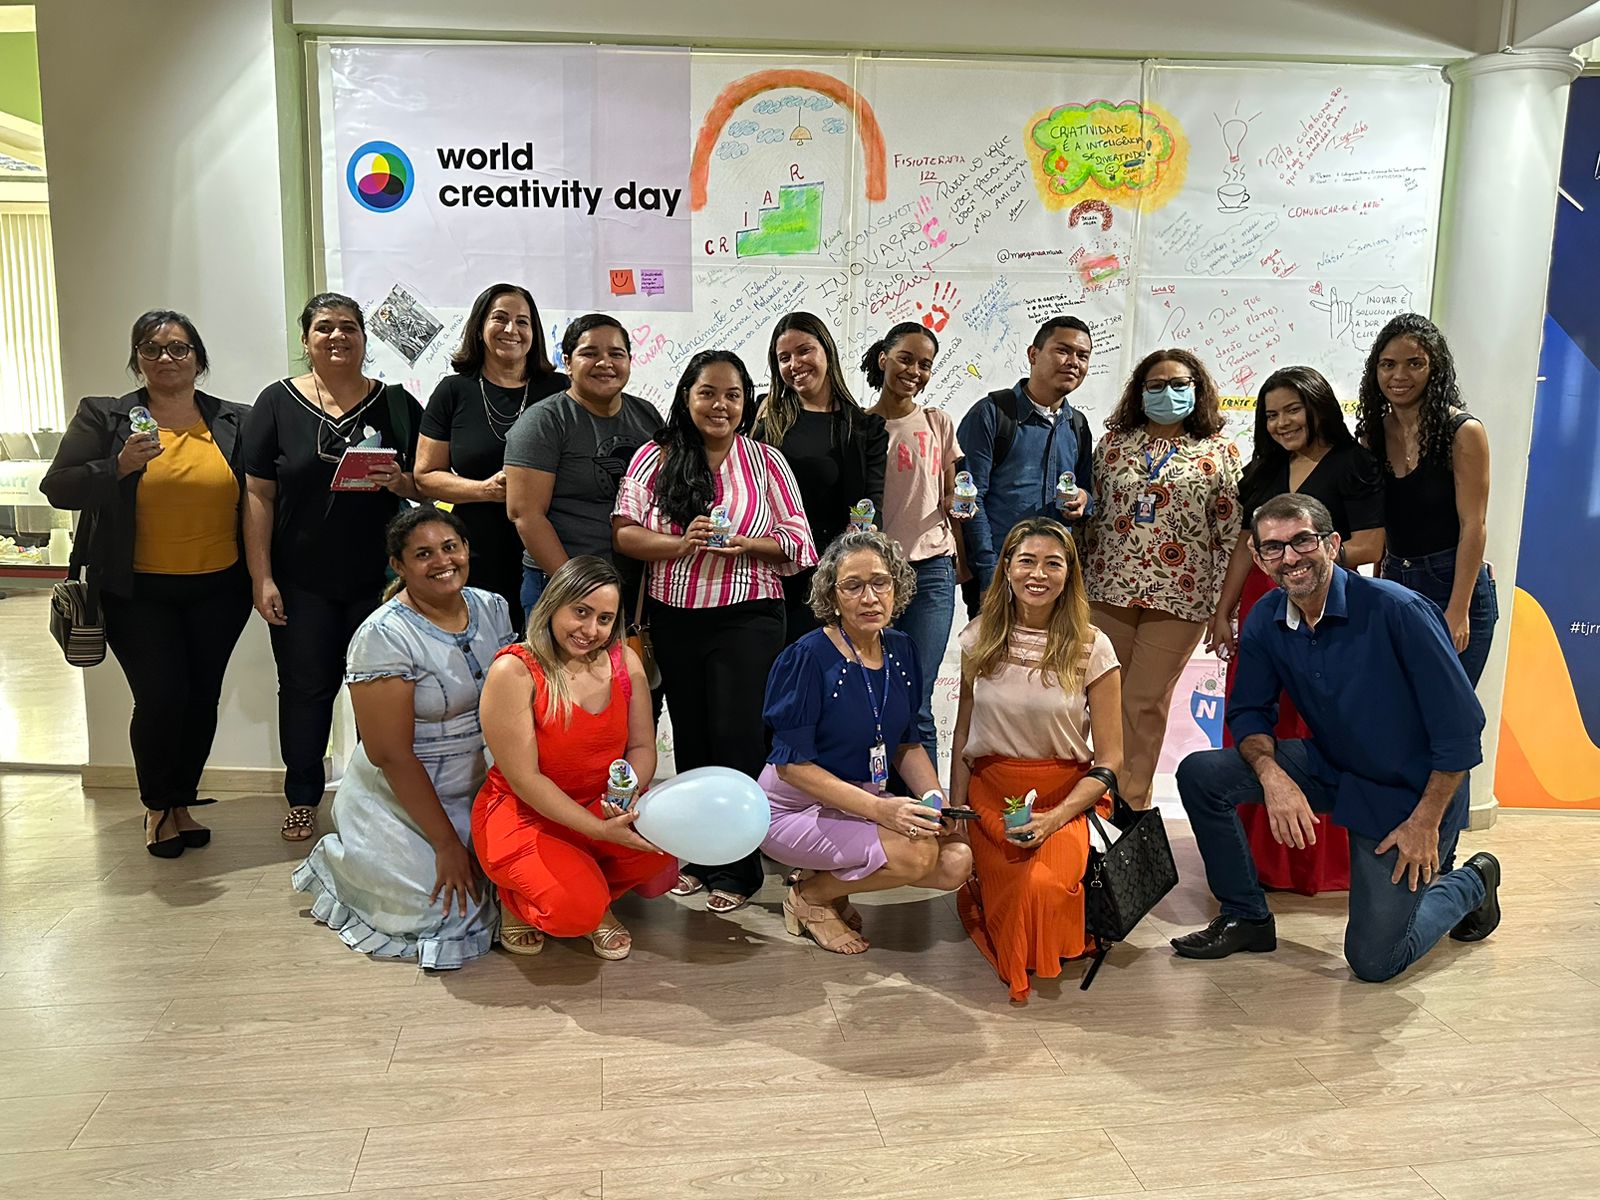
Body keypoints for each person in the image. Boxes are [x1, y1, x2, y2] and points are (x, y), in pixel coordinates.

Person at [1171, 493, 1502, 982]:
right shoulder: (1266, 616)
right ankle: (1246, 917)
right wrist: (1273, 777)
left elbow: (1460, 729)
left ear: (1331, 543)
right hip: (1332, 764)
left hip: (1407, 792)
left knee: (1375, 960)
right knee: (1201, 773)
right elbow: (1248, 712)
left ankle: (1472, 880)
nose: (1290, 559)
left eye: (1302, 541)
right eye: (1274, 548)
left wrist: (1425, 822)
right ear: (1259, 559)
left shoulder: (1399, 610)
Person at [41, 310, 251, 857]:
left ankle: (183, 800)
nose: (166, 358)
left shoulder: (236, 420)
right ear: (136, 358)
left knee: (202, 698)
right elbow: (58, 486)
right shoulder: (106, 417)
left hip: (220, 589)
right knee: (161, 697)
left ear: (199, 359)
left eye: (179, 348)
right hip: (136, 592)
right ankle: (158, 807)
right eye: (152, 348)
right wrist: (115, 466)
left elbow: (264, 495)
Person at [614, 350, 815, 912]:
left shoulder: (767, 462)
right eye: (708, 393)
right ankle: (699, 853)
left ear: (745, 403)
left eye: (732, 395)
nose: (720, 405)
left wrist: (744, 544)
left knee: (738, 737)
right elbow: (626, 535)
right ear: (687, 396)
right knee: (693, 735)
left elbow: (800, 545)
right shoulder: (654, 458)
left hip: (748, 613)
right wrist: (681, 545)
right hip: (675, 614)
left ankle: (740, 865)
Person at [292, 508, 513, 968]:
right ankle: (351, 861)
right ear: (399, 565)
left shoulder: (493, 607)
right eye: (423, 554)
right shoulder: (382, 636)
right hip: (401, 795)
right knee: (447, 913)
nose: (442, 561)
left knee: (516, 888)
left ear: (467, 549)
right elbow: (391, 755)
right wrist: (448, 845)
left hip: (479, 786)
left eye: (450, 547)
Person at [243, 292, 423, 842]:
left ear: (365, 338)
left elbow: (430, 488)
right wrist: (262, 576)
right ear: (306, 340)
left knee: (384, 695)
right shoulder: (275, 403)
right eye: (324, 328)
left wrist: (402, 483)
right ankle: (302, 798)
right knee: (305, 691)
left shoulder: (395, 405)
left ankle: (379, 798)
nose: (337, 337)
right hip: (302, 582)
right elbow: (257, 495)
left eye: (349, 327)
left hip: (383, 584)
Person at [1207, 366, 1384, 894]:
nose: (1281, 423)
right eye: (1271, 414)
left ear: (1318, 406)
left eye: (1291, 410)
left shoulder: (1356, 465)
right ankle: (1254, 860)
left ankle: (1314, 864)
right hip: (1263, 611)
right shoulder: (1264, 469)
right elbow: (1244, 546)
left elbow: (1373, 544)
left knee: (1317, 728)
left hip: (1325, 611)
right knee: (1258, 724)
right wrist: (1224, 609)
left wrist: (1300, 563)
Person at [761, 530, 972, 955]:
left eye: (880, 582)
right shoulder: (806, 657)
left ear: (897, 587)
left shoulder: (902, 649)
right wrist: (882, 809)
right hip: (793, 807)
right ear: (832, 596)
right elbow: (791, 766)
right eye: (853, 586)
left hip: (857, 800)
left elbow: (906, 742)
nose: (870, 597)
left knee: (957, 861)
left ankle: (826, 886)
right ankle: (811, 898)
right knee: (913, 855)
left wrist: (933, 800)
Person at [949, 517, 1125, 1003]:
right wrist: (958, 814)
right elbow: (963, 734)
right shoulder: (978, 637)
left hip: (1067, 799)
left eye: (1054, 563)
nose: (1038, 574)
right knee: (1022, 894)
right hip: (992, 796)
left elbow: (1111, 761)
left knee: (1040, 888)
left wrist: (1056, 818)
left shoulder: (1094, 646)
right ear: (1006, 567)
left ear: (1070, 573)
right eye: (1026, 560)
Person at [473, 556, 673, 959]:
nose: (590, 630)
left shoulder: (625, 660)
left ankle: (585, 887)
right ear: (554, 603)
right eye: (580, 612)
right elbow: (526, 780)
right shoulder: (514, 670)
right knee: (575, 914)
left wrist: (626, 797)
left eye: (604, 618)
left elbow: (641, 748)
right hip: (526, 812)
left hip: (599, 805)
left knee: (661, 866)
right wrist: (599, 831)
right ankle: (517, 899)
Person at [1083, 348, 1241, 810]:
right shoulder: (1113, 445)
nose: (1167, 393)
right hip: (1108, 590)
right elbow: (1092, 515)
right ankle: (1091, 807)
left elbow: (1231, 534)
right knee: (1104, 701)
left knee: (1144, 703)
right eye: (1156, 385)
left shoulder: (1219, 451)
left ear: (1197, 389)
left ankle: (1127, 811)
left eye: (1178, 384)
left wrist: (1223, 608)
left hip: (1181, 598)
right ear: (1139, 390)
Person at [1355, 313, 1496, 686]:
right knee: (1398, 719)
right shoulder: (1371, 438)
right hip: (1395, 582)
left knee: (1450, 722)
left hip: (1454, 583)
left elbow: (1474, 526)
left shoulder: (1463, 432)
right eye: (1388, 364)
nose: (1399, 376)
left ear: (1435, 369)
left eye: (1414, 363)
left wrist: (1458, 610)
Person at [415, 283, 568, 625]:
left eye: (523, 322)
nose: (511, 330)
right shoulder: (453, 391)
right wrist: (486, 490)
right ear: (480, 326)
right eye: (500, 318)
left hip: (551, 543)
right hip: (476, 547)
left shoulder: (559, 390)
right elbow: (425, 476)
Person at [504, 313, 662, 618]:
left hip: (634, 585)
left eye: (616, 354)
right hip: (560, 583)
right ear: (567, 362)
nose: (605, 363)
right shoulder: (543, 422)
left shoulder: (647, 415)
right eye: (590, 353)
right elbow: (525, 515)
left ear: (629, 360)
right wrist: (574, 588)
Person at [862, 322, 965, 767]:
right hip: (873, 576)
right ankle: (873, 801)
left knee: (917, 698)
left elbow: (953, 497)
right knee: (869, 694)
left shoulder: (937, 422)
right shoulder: (860, 427)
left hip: (931, 571)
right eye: (906, 358)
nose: (915, 371)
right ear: (884, 358)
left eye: (925, 364)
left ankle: (929, 812)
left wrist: (962, 547)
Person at [755, 312, 886, 644]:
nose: (795, 364)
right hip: (770, 578)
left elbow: (872, 508)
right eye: (784, 358)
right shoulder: (767, 420)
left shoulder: (864, 429)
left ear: (826, 350)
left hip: (831, 581)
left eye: (804, 351)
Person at [955, 316, 1095, 608]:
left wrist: (1083, 499)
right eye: (1063, 350)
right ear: (1033, 354)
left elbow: (1087, 494)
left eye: (1082, 356)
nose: (1073, 362)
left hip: (1054, 579)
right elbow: (969, 501)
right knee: (994, 654)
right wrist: (989, 575)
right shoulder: (992, 414)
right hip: (1000, 573)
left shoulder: (1078, 426)